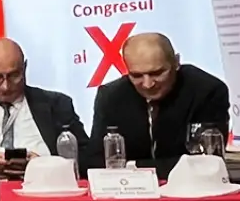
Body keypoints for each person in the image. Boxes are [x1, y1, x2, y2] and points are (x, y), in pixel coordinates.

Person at [86, 32, 230, 178]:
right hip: (128, 187)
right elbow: (95, 161)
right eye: (136, 76)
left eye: (157, 73)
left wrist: (131, 166)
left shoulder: (207, 91)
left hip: (190, 186)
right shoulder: (111, 96)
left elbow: (206, 163)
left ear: (176, 62)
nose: (147, 84)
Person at [0, 38, 89, 178]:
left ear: (24, 68)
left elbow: (86, 158)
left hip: (43, 187)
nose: (5, 87)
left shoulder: (57, 105)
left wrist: (44, 164)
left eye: (14, 76)